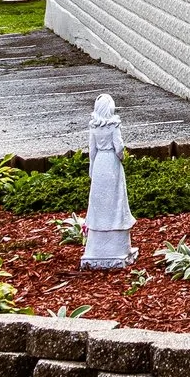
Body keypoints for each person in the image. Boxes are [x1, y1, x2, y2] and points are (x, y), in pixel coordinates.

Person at [81, 93, 134, 268]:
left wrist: (92, 170)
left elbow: (92, 150)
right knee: (115, 200)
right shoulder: (113, 125)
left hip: (99, 165)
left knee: (99, 203)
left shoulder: (94, 127)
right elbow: (119, 147)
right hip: (111, 163)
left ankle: (97, 246)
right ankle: (117, 242)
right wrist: (122, 157)